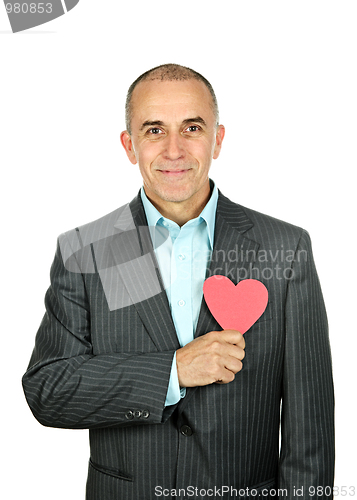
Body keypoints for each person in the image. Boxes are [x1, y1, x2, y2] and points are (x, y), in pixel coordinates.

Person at [22, 64, 334, 499]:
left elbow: (310, 428)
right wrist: (173, 371)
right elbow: (48, 389)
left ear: (218, 140)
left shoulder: (286, 248)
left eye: (191, 127)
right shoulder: (87, 252)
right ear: (129, 146)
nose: (174, 150)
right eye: (154, 131)